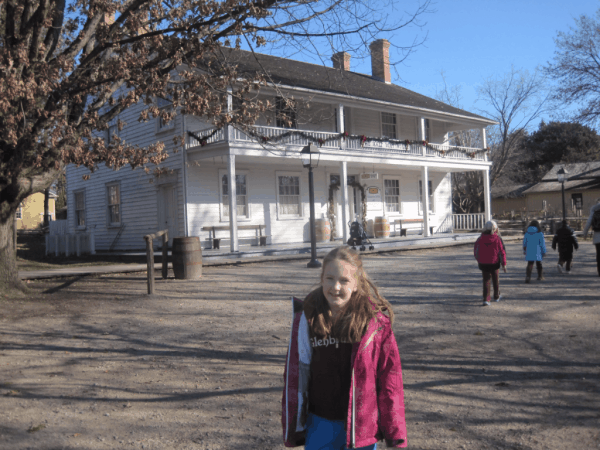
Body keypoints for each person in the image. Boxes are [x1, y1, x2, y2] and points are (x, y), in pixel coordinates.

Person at [282, 246, 407, 449]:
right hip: (320, 423)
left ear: (357, 284)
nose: (336, 287)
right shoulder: (307, 318)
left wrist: (395, 431)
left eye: (344, 280)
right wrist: (294, 421)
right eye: (330, 279)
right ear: (322, 279)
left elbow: (390, 378)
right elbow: (296, 374)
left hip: (363, 427)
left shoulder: (375, 323)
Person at [474, 220, 507, 306]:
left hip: (483, 263)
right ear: (495, 229)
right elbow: (502, 252)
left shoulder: (480, 238)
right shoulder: (497, 239)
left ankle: (486, 299)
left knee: (486, 280)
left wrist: (478, 259)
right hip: (495, 263)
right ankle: (496, 296)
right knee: (495, 279)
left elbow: (476, 251)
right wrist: (504, 263)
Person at [583, 197, 600, 277]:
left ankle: (599, 271)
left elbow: (588, 223)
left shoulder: (594, 210)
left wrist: (585, 233)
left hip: (597, 236)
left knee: (599, 254)